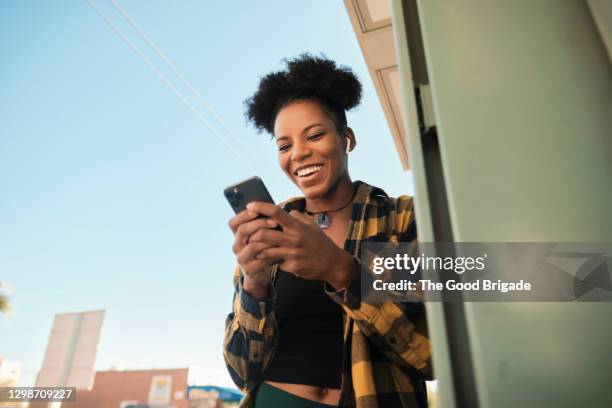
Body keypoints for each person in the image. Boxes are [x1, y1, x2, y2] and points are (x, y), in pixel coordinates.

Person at [223, 54, 432, 408]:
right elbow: (243, 371)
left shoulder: (403, 218)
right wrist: (254, 285)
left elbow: (432, 353)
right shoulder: (271, 232)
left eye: (315, 135)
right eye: (284, 145)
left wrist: (339, 270)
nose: (300, 153)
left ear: (347, 138)